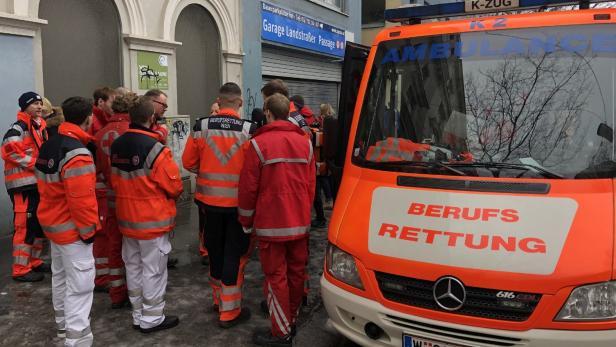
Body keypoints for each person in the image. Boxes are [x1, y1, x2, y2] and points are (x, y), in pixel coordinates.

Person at [238, 93, 315, 346]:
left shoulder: (257, 145)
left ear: (268, 114)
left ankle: (281, 333)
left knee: (275, 278)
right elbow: (311, 186)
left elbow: (248, 189)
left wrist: (246, 222)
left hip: (271, 225)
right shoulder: (306, 143)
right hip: (300, 222)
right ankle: (290, 319)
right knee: (295, 274)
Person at [182, 82, 255, 328]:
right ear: (240, 103)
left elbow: (188, 162)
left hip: (208, 205)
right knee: (235, 253)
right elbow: (254, 171)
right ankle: (229, 311)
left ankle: (217, 300)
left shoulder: (201, 126)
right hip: (237, 206)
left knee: (214, 251)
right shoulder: (248, 130)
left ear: (218, 100)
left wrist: (207, 171)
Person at [110, 96, 182, 333]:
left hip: (127, 221)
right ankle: (152, 318)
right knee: (153, 270)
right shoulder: (156, 149)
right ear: (152, 118)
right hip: (152, 221)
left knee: (133, 267)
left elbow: (115, 180)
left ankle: (138, 313)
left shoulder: (117, 145)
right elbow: (174, 186)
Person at [35, 96, 99, 346]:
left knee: (60, 279)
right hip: (73, 232)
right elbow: (81, 201)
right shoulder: (78, 153)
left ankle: (63, 328)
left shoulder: (49, 145)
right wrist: (88, 232)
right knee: (80, 287)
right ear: (88, 118)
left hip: (53, 227)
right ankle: (77, 339)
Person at [93, 92, 139, 309]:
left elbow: (99, 168)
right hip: (131, 198)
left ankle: (116, 291)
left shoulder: (99, 134)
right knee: (133, 248)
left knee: (113, 244)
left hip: (109, 197)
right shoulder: (133, 133)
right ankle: (135, 292)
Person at [1, 92, 50, 282]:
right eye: (34, 104)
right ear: (24, 107)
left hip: (35, 184)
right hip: (22, 186)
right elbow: (9, 150)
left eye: (40, 103)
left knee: (37, 225)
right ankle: (21, 268)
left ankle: (34, 262)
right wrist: (37, 163)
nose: (39, 107)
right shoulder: (19, 127)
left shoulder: (38, 126)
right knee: (24, 226)